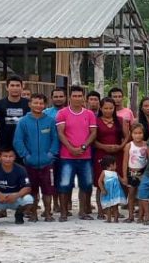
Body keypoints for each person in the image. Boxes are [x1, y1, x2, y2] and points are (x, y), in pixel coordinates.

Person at [14, 93, 60, 222]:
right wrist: (26, 155)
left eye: (41, 103)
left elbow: (55, 140)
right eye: (35, 103)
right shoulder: (23, 121)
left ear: (45, 105)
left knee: (48, 190)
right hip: (29, 163)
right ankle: (33, 213)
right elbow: (18, 141)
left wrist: (51, 154)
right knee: (32, 190)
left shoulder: (50, 121)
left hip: (47, 163)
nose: (38, 106)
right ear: (30, 104)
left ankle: (48, 212)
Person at [55, 86, 98, 221]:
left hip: (85, 155)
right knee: (65, 184)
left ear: (83, 98)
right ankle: (63, 212)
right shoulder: (62, 113)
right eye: (75, 96)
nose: (77, 98)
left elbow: (93, 133)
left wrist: (84, 146)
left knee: (86, 184)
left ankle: (83, 211)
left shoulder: (89, 114)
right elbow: (60, 133)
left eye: (80, 96)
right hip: (67, 156)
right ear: (70, 97)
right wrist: (71, 148)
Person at [0, 149, 35, 225]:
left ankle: (19, 215)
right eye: (5, 156)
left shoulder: (21, 169)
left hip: (14, 197)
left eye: (10, 156)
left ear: (14, 157)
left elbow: (27, 188)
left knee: (29, 199)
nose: (8, 159)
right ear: (0, 157)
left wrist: (16, 196)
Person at [93, 98, 126, 219]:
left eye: (111, 108)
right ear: (100, 108)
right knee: (101, 182)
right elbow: (93, 139)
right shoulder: (96, 121)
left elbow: (127, 136)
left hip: (117, 154)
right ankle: (101, 210)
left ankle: (115, 209)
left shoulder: (120, 120)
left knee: (116, 182)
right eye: (105, 108)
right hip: (101, 154)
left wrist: (120, 147)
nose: (108, 110)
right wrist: (104, 147)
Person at [0, 77, 30, 164]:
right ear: (7, 87)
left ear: (22, 87)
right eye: (12, 85)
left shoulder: (29, 104)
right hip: (4, 145)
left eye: (17, 85)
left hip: (24, 145)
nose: (15, 88)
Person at [122, 123, 148, 223]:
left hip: (143, 173)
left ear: (143, 133)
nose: (138, 135)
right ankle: (130, 216)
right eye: (135, 133)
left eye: (140, 133)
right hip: (131, 172)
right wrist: (124, 176)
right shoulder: (129, 145)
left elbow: (148, 159)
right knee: (131, 194)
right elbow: (125, 162)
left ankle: (141, 215)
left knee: (142, 195)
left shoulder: (146, 145)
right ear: (131, 134)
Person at [97, 156, 127, 223]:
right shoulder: (104, 172)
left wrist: (125, 182)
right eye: (115, 164)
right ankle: (109, 219)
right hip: (108, 192)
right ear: (111, 165)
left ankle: (116, 219)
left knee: (115, 206)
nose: (116, 166)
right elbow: (99, 181)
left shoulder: (115, 173)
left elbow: (121, 180)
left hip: (116, 192)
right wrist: (102, 189)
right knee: (108, 206)